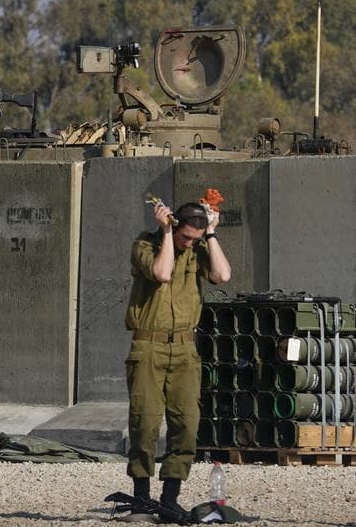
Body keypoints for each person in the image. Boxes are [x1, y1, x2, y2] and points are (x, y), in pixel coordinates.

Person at [124, 199, 231, 521]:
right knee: (145, 423)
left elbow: (222, 275)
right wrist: (168, 233)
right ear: (173, 226)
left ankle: (170, 498)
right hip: (149, 346)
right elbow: (162, 272)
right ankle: (141, 498)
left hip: (185, 349)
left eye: (194, 239)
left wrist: (210, 234)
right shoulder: (146, 245)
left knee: (186, 424)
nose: (189, 243)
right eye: (186, 236)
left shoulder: (198, 249)